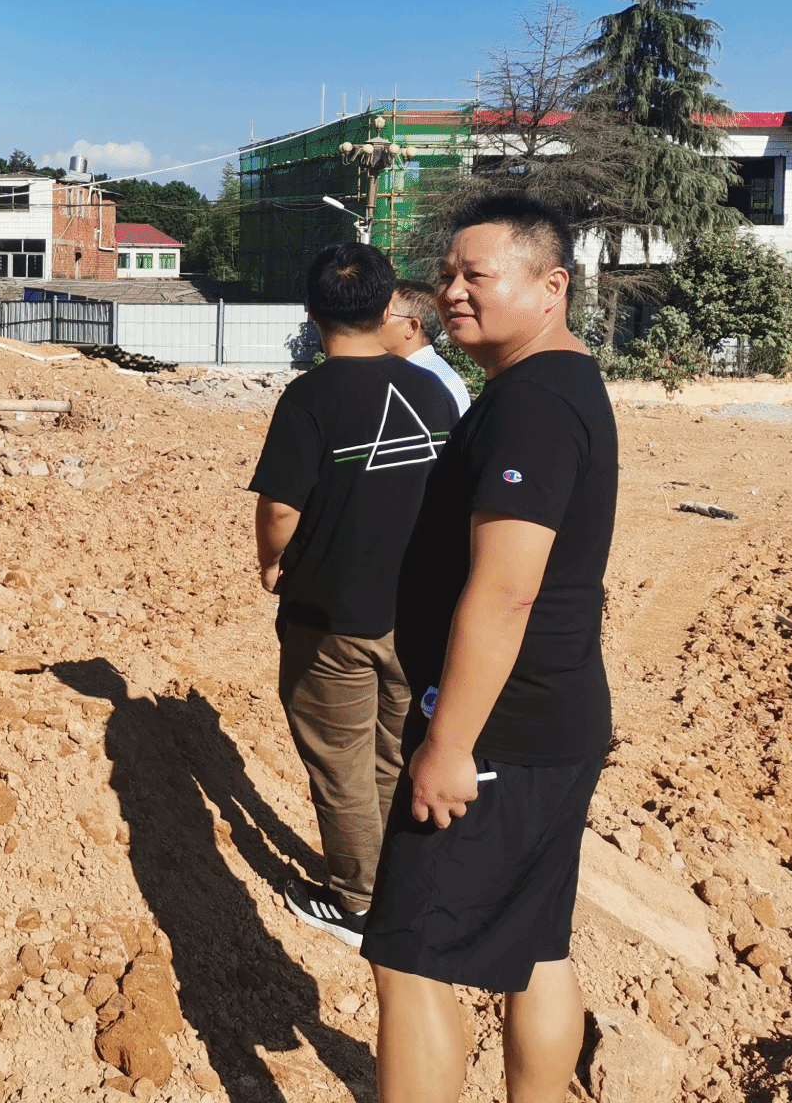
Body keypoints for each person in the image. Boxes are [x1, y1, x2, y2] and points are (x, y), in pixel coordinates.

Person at [363, 193, 617, 1103]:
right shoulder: (559, 384)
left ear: (552, 286)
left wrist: (450, 745)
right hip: (553, 718)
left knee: (409, 957)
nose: (452, 292)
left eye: (477, 275)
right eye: (446, 275)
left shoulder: (532, 406)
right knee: (534, 943)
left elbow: (507, 590)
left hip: (498, 731)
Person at [248, 243, 458, 949]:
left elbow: (280, 507)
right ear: (388, 304)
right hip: (420, 616)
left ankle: (359, 903)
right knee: (396, 753)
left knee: (341, 766)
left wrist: (271, 563)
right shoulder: (433, 392)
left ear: (310, 311)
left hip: (332, 618)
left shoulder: (309, 398)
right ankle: (406, 884)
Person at [379, 277, 472, 416]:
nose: (371, 322)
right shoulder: (427, 373)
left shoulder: (427, 382)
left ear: (412, 327)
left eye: (382, 314)